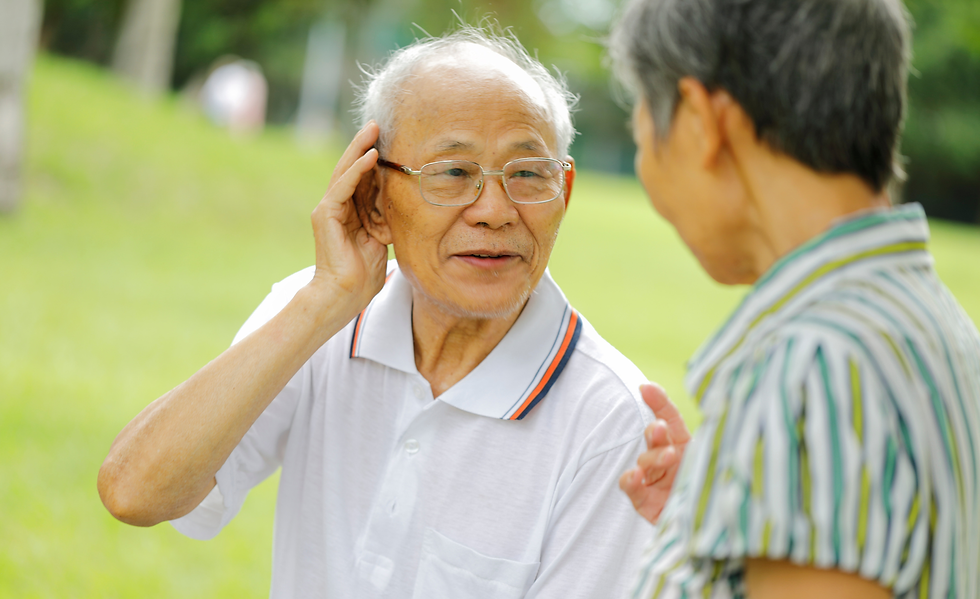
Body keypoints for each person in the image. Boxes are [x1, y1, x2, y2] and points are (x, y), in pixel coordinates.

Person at [98, 27, 667, 599]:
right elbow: (135, 493)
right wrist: (323, 305)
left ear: (563, 192)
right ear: (373, 197)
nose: (495, 211)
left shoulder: (613, 422)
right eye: (453, 173)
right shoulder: (319, 317)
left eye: (527, 174)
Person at [610, 0, 980, 598]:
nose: (645, 166)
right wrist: (717, 509)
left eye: (644, 130)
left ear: (704, 122)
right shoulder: (930, 320)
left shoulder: (813, 365)